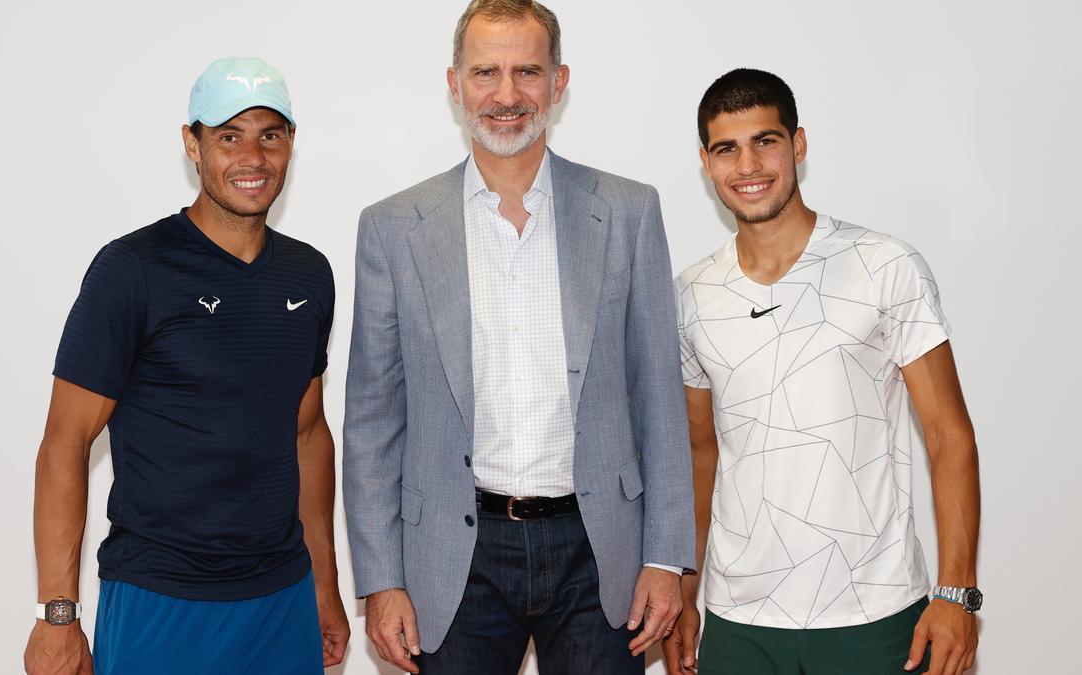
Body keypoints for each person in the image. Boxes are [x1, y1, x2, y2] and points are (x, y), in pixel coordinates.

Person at [342, 1, 696, 673]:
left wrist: (664, 556)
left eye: (527, 71)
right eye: (486, 72)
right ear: (455, 85)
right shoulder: (392, 227)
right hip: (454, 558)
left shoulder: (629, 212)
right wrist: (380, 579)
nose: (507, 95)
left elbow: (658, 395)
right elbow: (371, 421)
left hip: (603, 553)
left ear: (559, 82)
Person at [22, 57, 348, 675]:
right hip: (159, 597)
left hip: (280, 599)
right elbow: (64, 443)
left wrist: (324, 587)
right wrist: (56, 616)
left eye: (269, 135)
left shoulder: (310, 274)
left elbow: (307, 433)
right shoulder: (133, 269)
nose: (252, 156)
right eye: (229, 136)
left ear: (290, 146)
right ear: (192, 145)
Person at [663, 68, 981, 675]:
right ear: (706, 163)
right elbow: (698, 452)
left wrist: (956, 593)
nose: (748, 165)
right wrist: (686, 586)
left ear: (798, 145)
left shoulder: (884, 266)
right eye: (727, 148)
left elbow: (949, 435)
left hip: (876, 611)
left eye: (766, 140)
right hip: (740, 619)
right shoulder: (690, 294)